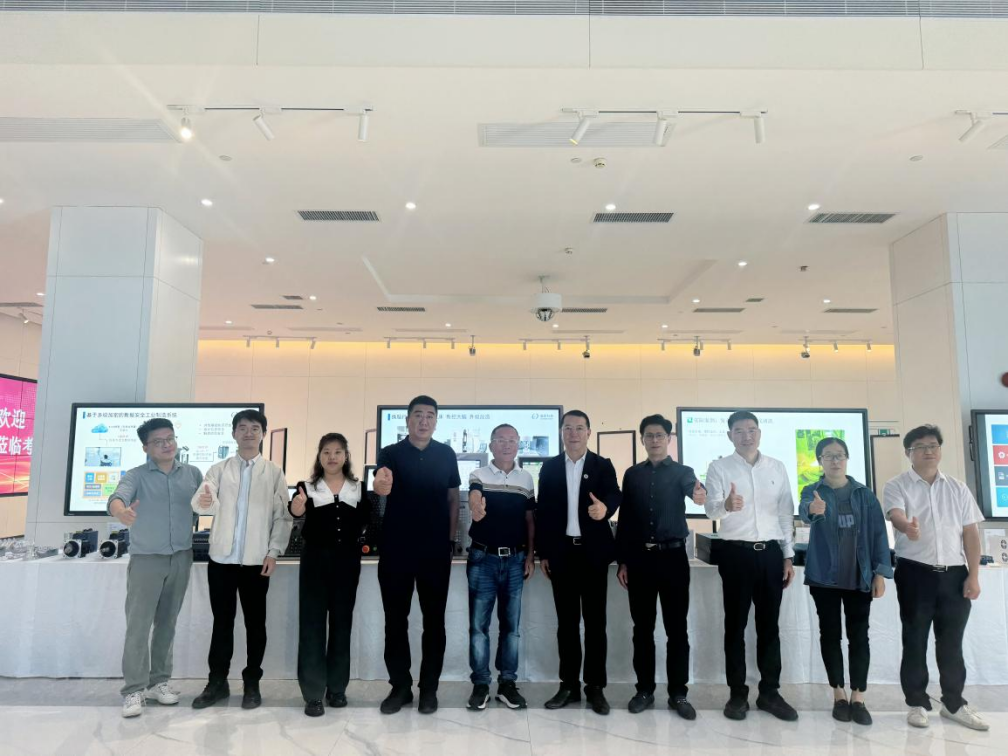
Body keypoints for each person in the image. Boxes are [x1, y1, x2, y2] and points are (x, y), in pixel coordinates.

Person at [883, 424, 988, 731]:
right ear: (908, 453)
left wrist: (973, 575)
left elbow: (970, 533)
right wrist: (906, 527)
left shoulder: (957, 488)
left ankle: (954, 704)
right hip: (915, 573)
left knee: (951, 643)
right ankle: (917, 703)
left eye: (933, 445)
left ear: (940, 450)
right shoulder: (897, 484)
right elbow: (895, 514)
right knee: (914, 640)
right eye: (920, 447)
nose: (928, 451)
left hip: (954, 575)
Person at [190, 409, 292, 711]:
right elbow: (202, 502)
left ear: (263, 434)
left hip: (256, 561)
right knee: (222, 623)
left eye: (255, 428)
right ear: (234, 433)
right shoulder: (219, 469)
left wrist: (273, 552)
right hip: (222, 560)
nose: (249, 433)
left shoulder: (273, 472)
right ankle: (217, 682)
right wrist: (204, 501)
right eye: (243, 427)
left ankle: (252, 683)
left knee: (255, 624)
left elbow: (283, 517)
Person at [704, 410, 798, 722]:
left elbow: (785, 514)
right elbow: (710, 510)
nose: (747, 436)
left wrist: (787, 555)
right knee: (735, 626)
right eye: (740, 431)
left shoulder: (777, 467)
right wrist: (725, 506)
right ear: (729, 435)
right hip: (736, 555)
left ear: (759, 433)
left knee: (769, 627)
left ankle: (770, 693)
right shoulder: (719, 467)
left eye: (752, 430)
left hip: (770, 554)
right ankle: (737, 694)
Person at [107, 418, 204, 718]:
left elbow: (204, 505)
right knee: (138, 625)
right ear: (146, 447)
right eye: (159, 441)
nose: (167, 445)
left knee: (167, 623)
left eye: (170, 438)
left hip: (181, 557)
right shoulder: (136, 475)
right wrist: (121, 512)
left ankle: (159, 681)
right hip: (147, 559)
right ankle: (133, 689)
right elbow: (117, 497)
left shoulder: (192, 473)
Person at [373, 395, 461, 715]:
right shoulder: (391, 453)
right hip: (396, 549)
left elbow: (453, 500)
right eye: (418, 415)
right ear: (407, 419)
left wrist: (450, 540)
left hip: (435, 550)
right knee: (395, 620)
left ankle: (429, 689)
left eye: (430, 415)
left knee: (434, 622)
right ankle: (400, 687)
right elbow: (381, 483)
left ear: (436, 421)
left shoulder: (446, 454)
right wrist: (381, 484)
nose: (424, 420)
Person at [616, 414, 705, 719]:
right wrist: (623, 561)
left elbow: (695, 489)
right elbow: (625, 519)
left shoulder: (683, 472)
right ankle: (644, 690)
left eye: (660, 435)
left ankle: (678, 694)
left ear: (669, 439)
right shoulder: (632, 474)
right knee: (642, 629)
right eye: (649, 435)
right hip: (639, 559)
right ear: (642, 439)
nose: (654, 440)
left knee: (676, 629)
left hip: (673, 559)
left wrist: (700, 493)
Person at [798, 437, 892, 726]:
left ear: (847, 459)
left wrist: (880, 573)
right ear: (820, 461)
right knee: (830, 635)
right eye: (828, 456)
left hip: (859, 576)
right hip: (824, 577)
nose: (835, 460)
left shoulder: (864, 494)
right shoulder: (812, 490)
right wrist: (812, 510)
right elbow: (804, 512)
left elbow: (878, 534)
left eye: (839, 455)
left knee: (859, 636)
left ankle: (858, 697)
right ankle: (838, 695)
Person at [536, 409, 622, 715]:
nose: (573, 433)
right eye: (568, 428)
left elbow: (614, 494)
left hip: (593, 555)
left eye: (579, 428)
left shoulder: (602, 465)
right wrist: (544, 553)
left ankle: (595, 687)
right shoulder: (549, 467)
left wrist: (606, 508)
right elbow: (544, 511)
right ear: (562, 432)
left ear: (588, 433)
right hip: (562, 555)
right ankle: (569, 686)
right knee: (567, 624)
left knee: (596, 624)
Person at [290, 433, 373, 717]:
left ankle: (337, 688)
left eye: (338, 452)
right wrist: (296, 509)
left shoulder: (358, 488)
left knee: (341, 624)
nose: (332, 457)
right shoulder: (307, 487)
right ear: (319, 456)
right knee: (312, 626)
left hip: (347, 563)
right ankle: (313, 694)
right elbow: (295, 510)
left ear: (346, 456)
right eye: (326, 452)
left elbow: (369, 520)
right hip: (314, 562)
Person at [465, 423, 536, 712]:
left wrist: (530, 555)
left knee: (511, 629)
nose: (507, 445)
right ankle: (481, 684)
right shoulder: (478, 474)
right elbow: (474, 494)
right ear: (491, 445)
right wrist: (475, 506)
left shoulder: (526, 479)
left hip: (516, 560)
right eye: (501, 440)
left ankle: (507, 683)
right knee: (478, 627)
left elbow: (530, 520)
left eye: (512, 440)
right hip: (483, 559)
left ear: (518, 445)